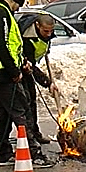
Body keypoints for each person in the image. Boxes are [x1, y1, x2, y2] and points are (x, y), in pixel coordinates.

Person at [0, 0, 54, 168]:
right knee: (22, 111)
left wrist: (21, 63)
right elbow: (1, 45)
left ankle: (4, 154)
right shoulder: (1, 14)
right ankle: (33, 154)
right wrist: (14, 71)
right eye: (18, 5)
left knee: (3, 114)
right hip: (2, 72)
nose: (18, 9)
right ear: (13, 1)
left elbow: (10, 47)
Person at [20, 12, 56, 149]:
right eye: (45, 31)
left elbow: (44, 53)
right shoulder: (27, 38)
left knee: (32, 101)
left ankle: (35, 132)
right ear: (37, 25)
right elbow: (31, 66)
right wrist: (47, 82)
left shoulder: (46, 35)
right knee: (26, 102)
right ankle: (28, 137)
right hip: (21, 69)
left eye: (51, 31)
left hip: (30, 66)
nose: (48, 34)